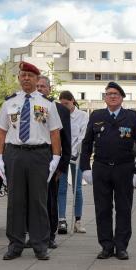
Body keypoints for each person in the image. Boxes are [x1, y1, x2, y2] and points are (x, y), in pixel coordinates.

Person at [0, 61, 63, 260]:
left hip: (39, 154)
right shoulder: (9, 103)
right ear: (18, 78)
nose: (26, 78)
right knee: (15, 201)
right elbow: (1, 131)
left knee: (38, 201)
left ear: (36, 79)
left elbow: (54, 133)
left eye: (30, 76)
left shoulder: (47, 104)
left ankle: (40, 245)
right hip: (15, 154)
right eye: (23, 75)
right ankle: (15, 245)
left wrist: (55, 158)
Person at [80, 81, 136, 260]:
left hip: (124, 168)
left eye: (116, 94)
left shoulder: (131, 116)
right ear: (104, 97)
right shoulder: (96, 115)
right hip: (101, 168)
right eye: (109, 93)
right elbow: (86, 143)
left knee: (124, 209)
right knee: (102, 209)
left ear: (122, 98)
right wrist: (85, 168)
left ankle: (121, 246)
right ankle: (106, 246)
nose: (112, 96)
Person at [36, 76, 71, 248]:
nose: (40, 88)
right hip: (32, 161)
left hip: (51, 162)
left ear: (50, 89)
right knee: (32, 200)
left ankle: (50, 235)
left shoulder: (60, 110)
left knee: (50, 199)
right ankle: (34, 234)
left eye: (43, 86)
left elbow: (66, 140)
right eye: (37, 86)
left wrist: (62, 166)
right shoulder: (27, 107)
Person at [58, 91, 88, 234]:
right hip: (63, 156)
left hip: (77, 155)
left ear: (73, 101)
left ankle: (78, 220)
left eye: (66, 104)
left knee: (77, 188)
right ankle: (62, 219)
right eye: (61, 104)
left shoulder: (83, 116)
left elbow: (83, 136)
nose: (64, 107)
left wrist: (74, 152)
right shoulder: (59, 116)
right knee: (61, 187)